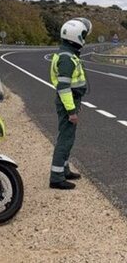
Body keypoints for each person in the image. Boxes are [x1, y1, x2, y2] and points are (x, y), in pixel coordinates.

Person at [49, 17, 92, 190]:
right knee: (65, 139)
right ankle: (56, 177)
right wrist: (71, 111)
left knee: (68, 137)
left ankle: (64, 169)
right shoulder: (67, 58)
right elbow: (64, 87)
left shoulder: (67, 53)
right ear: (76, 36)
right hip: (68, 102)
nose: (84, 38)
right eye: (83, 34)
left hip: (71, 100)